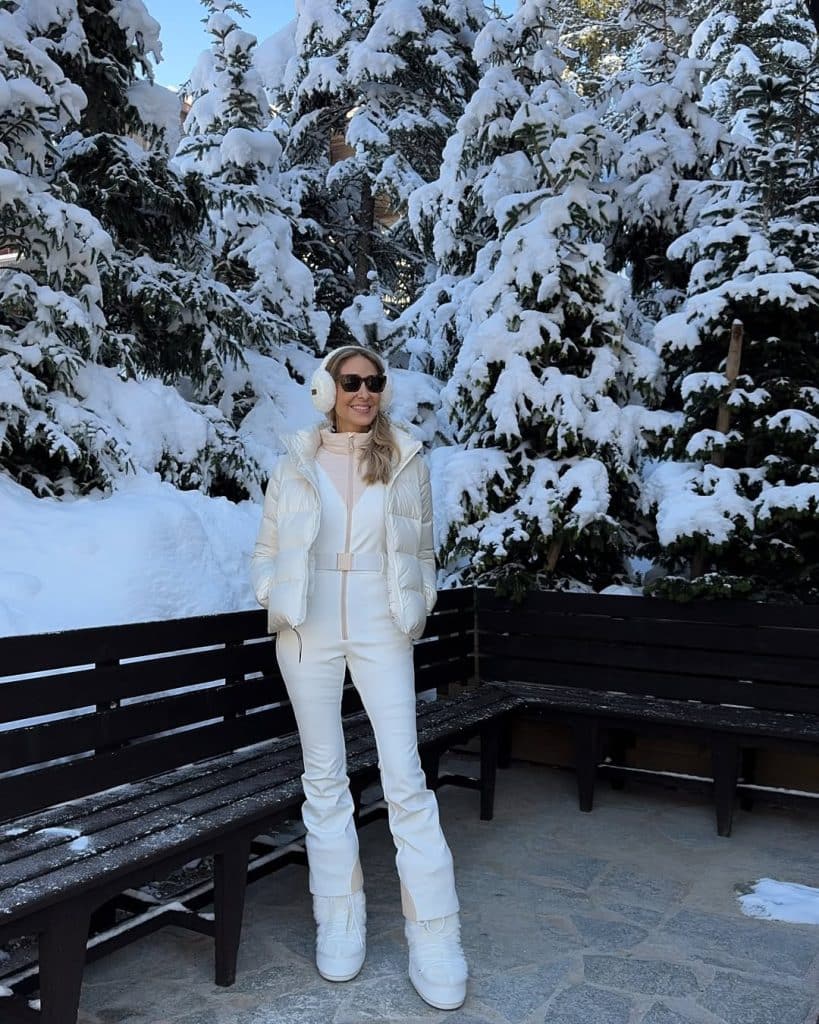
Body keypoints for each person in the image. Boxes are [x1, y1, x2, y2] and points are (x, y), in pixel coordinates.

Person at [250, 344, 468, 1011]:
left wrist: (416, 604)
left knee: (404, 777)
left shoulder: (404, 460)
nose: (363, 392)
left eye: (374, 382)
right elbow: (266, 546)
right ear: (327, 389)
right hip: (307, 625)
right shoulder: (294, 462)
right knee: (323, 776)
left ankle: (434, 933)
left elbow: (423, 549)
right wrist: (275, 597)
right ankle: (338, 918)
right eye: (351, 381)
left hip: (381, 620)